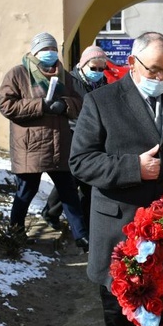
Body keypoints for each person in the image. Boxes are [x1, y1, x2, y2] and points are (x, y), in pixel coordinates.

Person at [69, 32, 163, 326]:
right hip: (118, 234)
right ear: (132, 63)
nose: (161, 78)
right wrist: (134, 168)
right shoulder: (100, 101)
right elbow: (80, 162)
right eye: (153, 70)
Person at [0, 32, 89, 251]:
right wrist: (41, 105)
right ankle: (16, 233)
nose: (50, 54)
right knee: (25, 192)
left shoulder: (64, 76)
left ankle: (82, 237)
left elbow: (79, 101)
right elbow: (7, 106)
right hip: (31, 146)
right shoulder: (18, 74)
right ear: (35, 52)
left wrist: (64, 105)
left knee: (69, 194)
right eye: (45, 50)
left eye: (53, 50)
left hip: (59, 145)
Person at [41, 44, 108, 230]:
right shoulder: (70, 81)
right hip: (72, 134)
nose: (98, 72)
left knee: (85, 180)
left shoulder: (102, 83)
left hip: (94, 136)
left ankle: (84, 223)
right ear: (82, 65)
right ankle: (51, 212)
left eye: (101, 69)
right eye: (93, 68)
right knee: (72, 179)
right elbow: (61, 104)